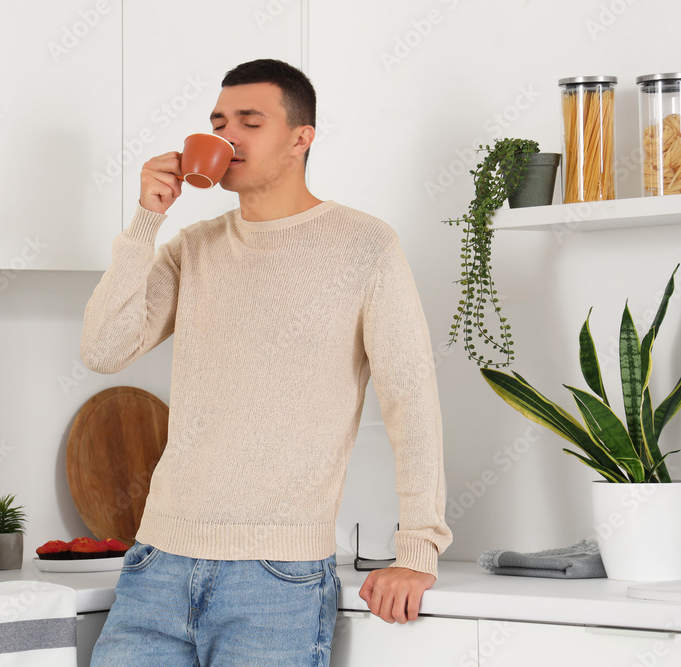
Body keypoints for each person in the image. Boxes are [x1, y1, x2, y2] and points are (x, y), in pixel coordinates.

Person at [81, 58, 451, 666]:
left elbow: (411, 399)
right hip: (157, 564)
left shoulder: (366, 244)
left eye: (249, 121)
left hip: (275, 579)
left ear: (301, 138)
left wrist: (418, 550)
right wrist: (147, 219)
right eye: (218, 121)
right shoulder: (192, 248)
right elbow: (102, 349)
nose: (228, 136)